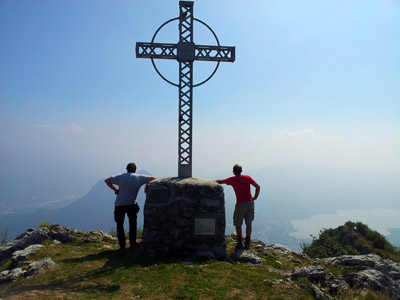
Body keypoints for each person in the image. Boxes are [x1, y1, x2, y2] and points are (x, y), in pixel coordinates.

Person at [105, 162, 156, 251]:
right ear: (135, 170)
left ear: (126, 169)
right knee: (133, 224)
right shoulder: (139, 177)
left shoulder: (120, 177)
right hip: (132, 204)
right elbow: (153, 178)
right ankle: (133, 243)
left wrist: (115, 189)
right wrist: (147, 186)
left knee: (119, 225)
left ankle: (122, 246)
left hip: (119, 205)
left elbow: (107, 181)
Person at [216, 164, 260, 250]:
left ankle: (239, 243)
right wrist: (255, 197)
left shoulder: (232, 180)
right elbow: (258, 186)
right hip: (250, 203)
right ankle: (247, 244)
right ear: (241, 171)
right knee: (249, 224)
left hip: (240, 205)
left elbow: (220, 181)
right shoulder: (247, 177)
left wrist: (211, 181)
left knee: (238, 224)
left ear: (233, 172)